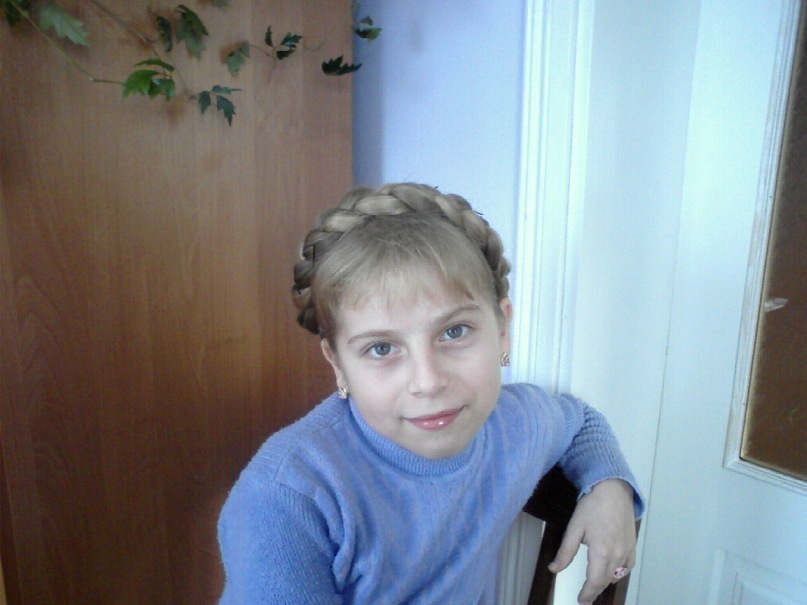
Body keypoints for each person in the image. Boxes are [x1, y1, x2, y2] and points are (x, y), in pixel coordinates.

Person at [217, 182, 645, 605]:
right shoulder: (285, 497)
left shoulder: (516, 423)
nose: (428, 381)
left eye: (454, 332)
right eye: (381, 348)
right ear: (338, 364)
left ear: (502, 330)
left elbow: (580, 422)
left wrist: (609, 486)